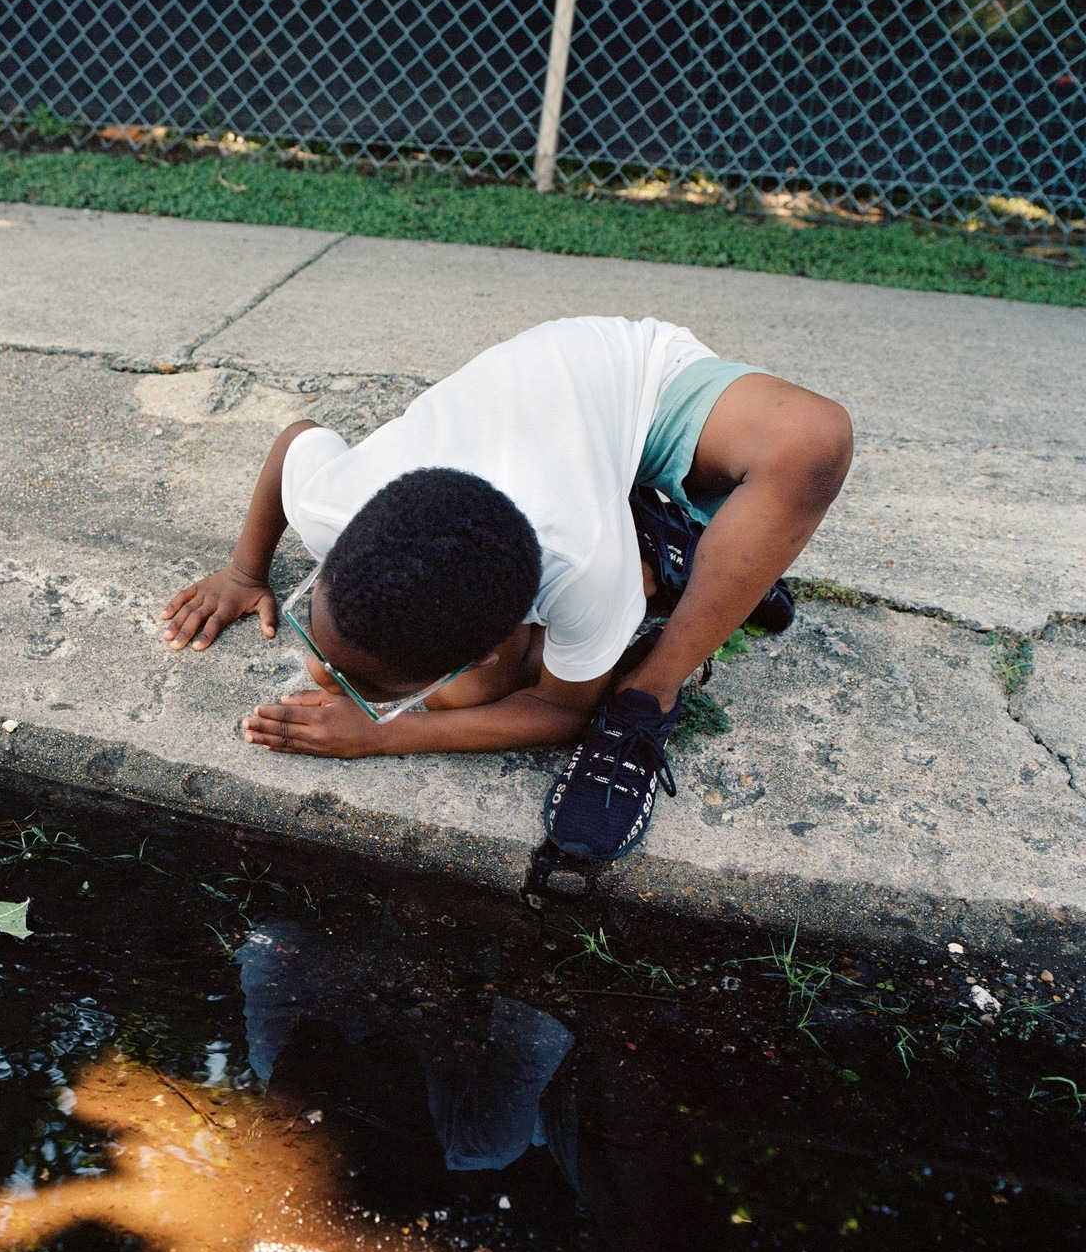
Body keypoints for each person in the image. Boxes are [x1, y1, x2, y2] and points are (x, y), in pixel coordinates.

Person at [160, 315, 852, 862]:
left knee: (814, 437)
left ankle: (653, 680)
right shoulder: (332, 505)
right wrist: (244, 572)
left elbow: (558, 712)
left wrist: (386, 736)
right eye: (319, 636)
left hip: (628, 386)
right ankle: (687, 549)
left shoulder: (584, 565)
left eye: (383, 694)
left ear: (496, 641)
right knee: (481, 688)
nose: (320, 671)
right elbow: (296, 438)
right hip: (547, 453)